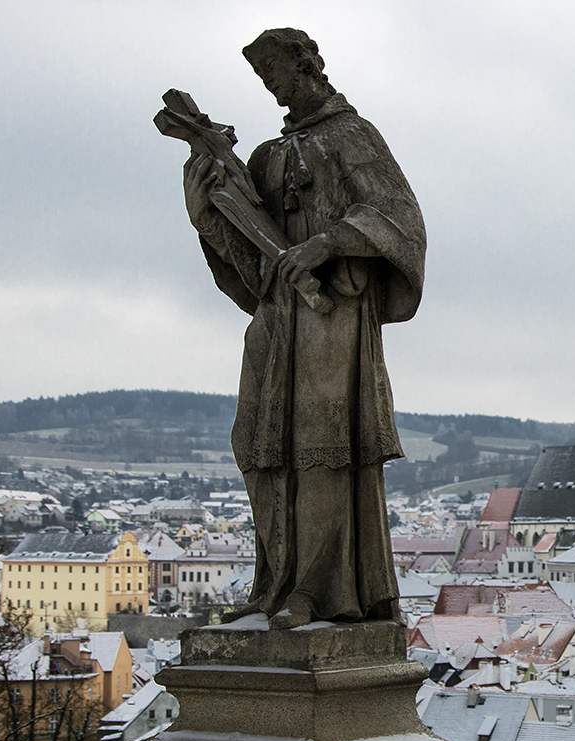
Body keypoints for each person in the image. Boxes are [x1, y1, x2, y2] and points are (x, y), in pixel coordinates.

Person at [182, 28, 424, 628]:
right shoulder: (265, 156)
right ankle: (276, 578)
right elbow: (252, 262)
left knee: (322, 449)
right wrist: (206, 212)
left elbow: (399, 219)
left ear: (307, 66)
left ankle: (316, 590)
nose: (271, 88)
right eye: (262, 80)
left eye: (275, 75)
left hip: (332, 316)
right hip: (277, 319)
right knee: (257, 447)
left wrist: (326, 244)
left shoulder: (353, 137)